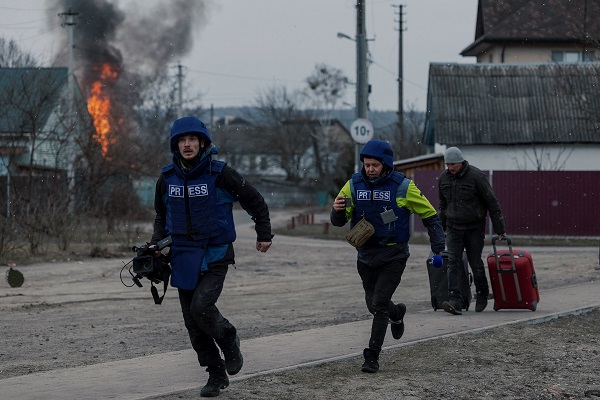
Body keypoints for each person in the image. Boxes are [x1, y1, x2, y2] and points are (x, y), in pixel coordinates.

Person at [149, 116, 273, 397]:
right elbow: (161, 215)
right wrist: (156, 244)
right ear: (176, 145)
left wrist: (263, 233)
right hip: (182, 258)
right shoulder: (167, 178)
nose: (187, 144)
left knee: (201, 308)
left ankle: (229, 337)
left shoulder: (221, 174)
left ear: (202, 142)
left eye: (192, 139)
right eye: (182, 140)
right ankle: (215, 374)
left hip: (215, 255)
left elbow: (254, 200)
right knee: (193, 325)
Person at [330, 139, 445, 373]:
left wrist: (438, 246)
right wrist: (337, 210)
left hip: (394, 254)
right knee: (373, 305)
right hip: (365, 254)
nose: (370, 169)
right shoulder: (353, 185)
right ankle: (397, 313)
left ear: (386, 164)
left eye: (375, 165)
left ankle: (372, 356)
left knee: (379, 303)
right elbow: (339, 220)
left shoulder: (403, 186)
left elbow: (430, 215)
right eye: (367, 164)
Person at [438, 146, 505, 316]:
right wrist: (439, 230)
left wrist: (500, 230)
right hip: (453, 227)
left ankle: (482, 293)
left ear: (461, 162)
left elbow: (492, 203)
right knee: (453, 261)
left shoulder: (476, 176)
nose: (450, 168)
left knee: (475, 262)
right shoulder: (443, 179)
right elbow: (442, 206)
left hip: (474, 227)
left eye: (453, 164)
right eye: (448, 164)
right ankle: (455, 299)